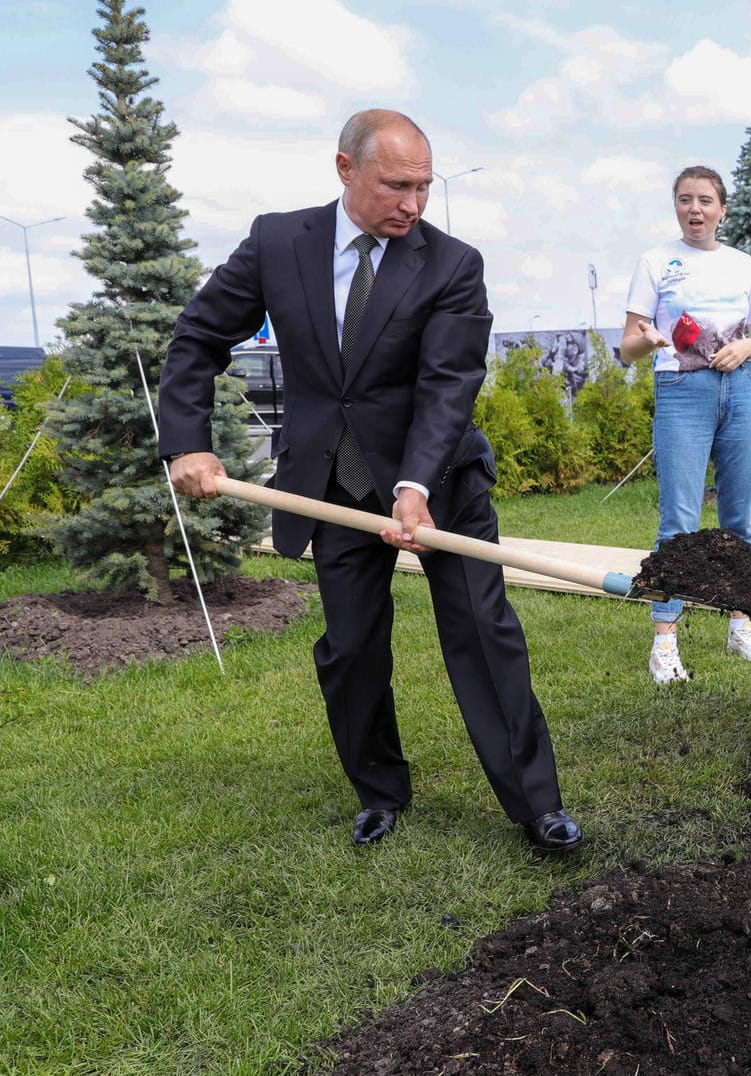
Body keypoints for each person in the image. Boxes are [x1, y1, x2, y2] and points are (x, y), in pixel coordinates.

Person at [158, 109, 582, 855]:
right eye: (396, 185)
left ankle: (535, 804)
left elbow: (448, 384)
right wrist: (186, 444)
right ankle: (380, 791)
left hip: (440, 479)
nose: (414, 204)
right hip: (331, 483)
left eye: (422, 186)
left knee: (483, 634)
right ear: (345, 169)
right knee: (352, 648)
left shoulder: (452, 263)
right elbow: (197, 337)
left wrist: (415, 485)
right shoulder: (277, 241)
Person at [620, 165, 751, 685]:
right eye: (686, 199)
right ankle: (665, 641)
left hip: (741, 394)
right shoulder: (655, 263)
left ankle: (739, 621)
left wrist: (747, 347)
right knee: (679, 521)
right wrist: (651, 339)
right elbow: (628, 346)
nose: (696, 209)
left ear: (722, 209)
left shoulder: (743, 265)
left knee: (741, 518)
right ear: (676, 207)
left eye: (705, 200)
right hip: (682, 394)